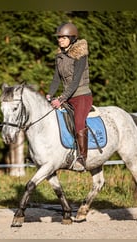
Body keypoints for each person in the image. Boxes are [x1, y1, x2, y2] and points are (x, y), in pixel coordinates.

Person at [46, 22, 93, 171]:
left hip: (81, 96)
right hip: (68, 96)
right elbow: (56, 79)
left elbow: (75, 82)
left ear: (72, 38)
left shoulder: (80, 55)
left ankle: (82, 158)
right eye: (59, 38)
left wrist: (60, 99)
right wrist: (49, 95)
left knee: (79, 121)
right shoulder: (59, 56)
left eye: (63, 38)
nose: (60, 40)